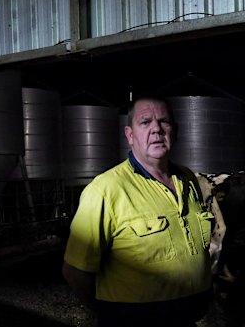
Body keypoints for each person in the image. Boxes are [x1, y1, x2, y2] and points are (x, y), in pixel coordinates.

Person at [62, 96, 215, 327]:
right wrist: (108, 312)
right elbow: (75, 271)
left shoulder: (188, 178)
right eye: (145, 122)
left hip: (189, 319)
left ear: (175, 131)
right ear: (130, 135)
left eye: (164, 122)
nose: (157, 129)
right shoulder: (106, 190)